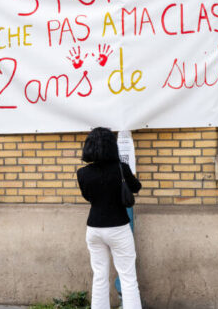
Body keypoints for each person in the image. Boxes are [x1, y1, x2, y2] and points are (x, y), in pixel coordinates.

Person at [76, 127, 142, 309]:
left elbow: (88, 197)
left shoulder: (82, 173)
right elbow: (136, 187)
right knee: (128, 278)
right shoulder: (121, 169)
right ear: (112, 147)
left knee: (99, 277)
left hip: (94, 229)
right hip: (118, 228)